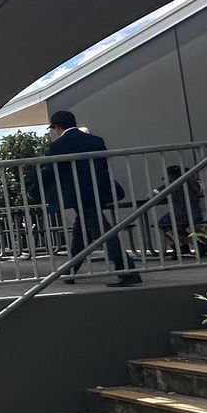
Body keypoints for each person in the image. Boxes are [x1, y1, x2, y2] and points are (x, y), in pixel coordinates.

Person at [45, 110, 141, 286]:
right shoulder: (96, 141)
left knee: (104, 234)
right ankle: (70, 272)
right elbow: (102, 166)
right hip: (98, 192)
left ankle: (128, 271)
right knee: (82, 232)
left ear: (57, 127)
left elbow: (52, 173)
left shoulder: (58, 146)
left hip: (79, 196)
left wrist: (35, 191)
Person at [157, 164, 207, 258]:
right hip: (196, 213)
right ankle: (202, 245)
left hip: (180, 215)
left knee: (161, 225)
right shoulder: (195, 184)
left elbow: (154, 195)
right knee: (178, 228)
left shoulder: (171, 185)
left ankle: (179, 246)